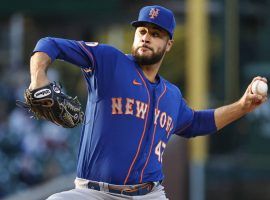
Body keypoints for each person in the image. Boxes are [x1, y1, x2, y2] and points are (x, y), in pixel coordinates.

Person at [28, 5, 267, 200]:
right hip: (93, 193)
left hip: (149, 195)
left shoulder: (171, 95)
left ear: (169, 44)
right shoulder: (109, 61)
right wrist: (38, 79)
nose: (146, 38)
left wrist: (243, 106)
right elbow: (49, 44)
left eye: (155, 34)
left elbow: (196, 123)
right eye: (142, 31)